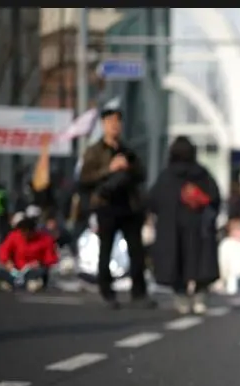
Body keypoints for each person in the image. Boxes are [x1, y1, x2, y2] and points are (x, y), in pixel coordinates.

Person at [79, 107, 155, 309]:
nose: (115, 126)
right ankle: (107, 291)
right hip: (106, 206)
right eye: (111, 121)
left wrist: (127, 166)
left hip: (129, 206)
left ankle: (139, 291)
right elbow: (84, 178)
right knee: (105, 249)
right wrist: (109, 169)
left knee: (136, 251)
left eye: (118, 122)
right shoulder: (94, 151)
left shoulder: (127, 150)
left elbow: (142, 174)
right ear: (103, 124)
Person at [147, 136, 222, 315]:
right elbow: (215, 199)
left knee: (175, 264)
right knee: (201, 262)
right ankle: (199, 296)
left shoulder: (166, 177)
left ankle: (181, 297)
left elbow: (152, 201)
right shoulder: (202, 175)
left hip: (172, 231)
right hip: (199, 230)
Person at [0, 205, 58, 293]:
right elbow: (3, 250)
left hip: (33, 270)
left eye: (27, 232)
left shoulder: (45, 239)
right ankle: (11, 282)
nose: (24, 235)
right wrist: (7, 262)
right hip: (15, 271)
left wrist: (40, 263)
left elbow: (51, 259)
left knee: (40, 273)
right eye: (22, 232)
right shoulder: (14, 236)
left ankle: (19, 284)